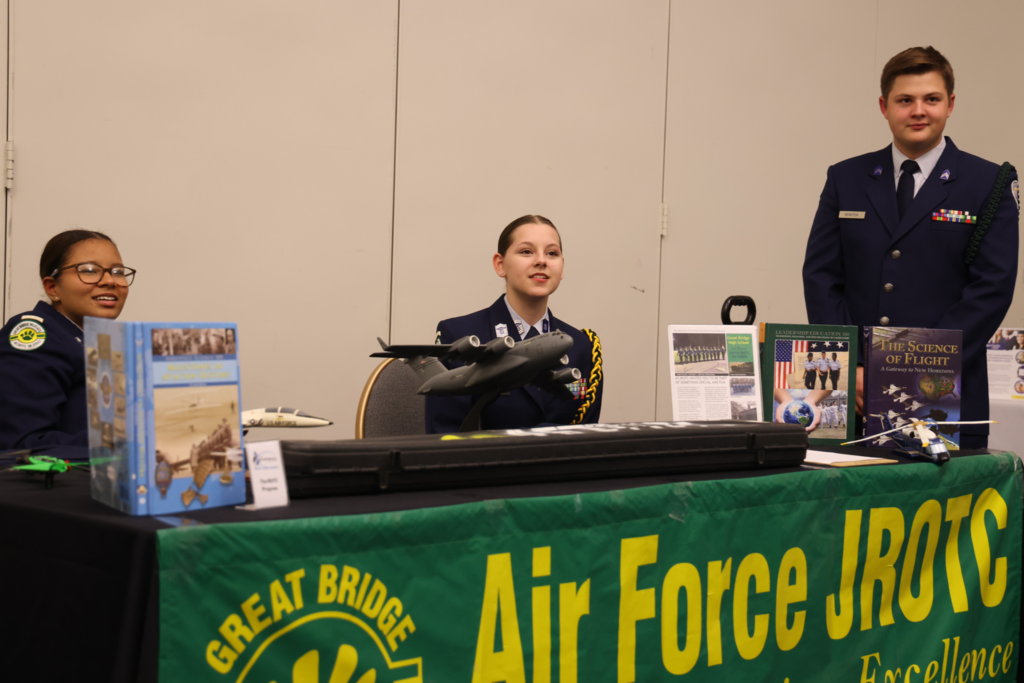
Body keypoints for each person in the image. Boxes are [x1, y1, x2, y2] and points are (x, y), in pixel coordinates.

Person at [802, 46, 1018, 449]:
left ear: (950, 104)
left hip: (943, 392)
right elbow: (821, 277)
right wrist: (852, 367)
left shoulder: (988, 183)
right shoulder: (846, 178)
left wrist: (905, 370)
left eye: (931, 99)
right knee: (848, 507)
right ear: (884, 106)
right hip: (854, 395)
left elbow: (992, 289)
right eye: (905, 100)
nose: (919, 110)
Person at [425, 215, 603, 433]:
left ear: (562, 268)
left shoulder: (582, 346)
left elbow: (585, 435)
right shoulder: (460, 333)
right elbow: (445, 434)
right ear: (500, 265)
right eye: (526, 251)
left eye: (552, 253)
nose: (541, 261)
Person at [0, 230, 134, 452]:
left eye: (118, 272)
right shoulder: (36, 336)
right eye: (90, 270)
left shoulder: (105, 342)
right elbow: (20, 445)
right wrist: (128, 443)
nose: (110, 281)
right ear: (53, 288)